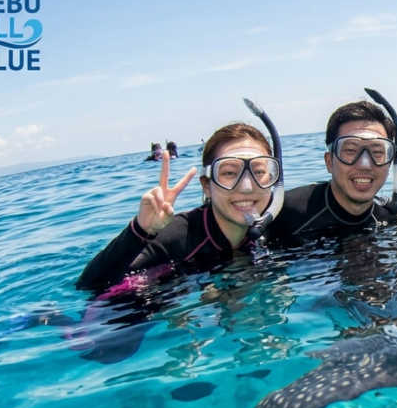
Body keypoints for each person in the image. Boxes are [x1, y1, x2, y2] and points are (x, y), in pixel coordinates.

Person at [77, 122, 276, 290]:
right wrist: (140, 230)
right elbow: (90, 286)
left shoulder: (279, 221)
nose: (247, 187)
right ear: (207, 185)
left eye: (259, 172)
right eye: (230, 173)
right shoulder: (179, 236)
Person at [271, 100, 397, 240]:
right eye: (351, 149)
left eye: (377, 151)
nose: (365, 165)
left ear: (389, 164)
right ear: (329, 162)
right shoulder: (282, 213)